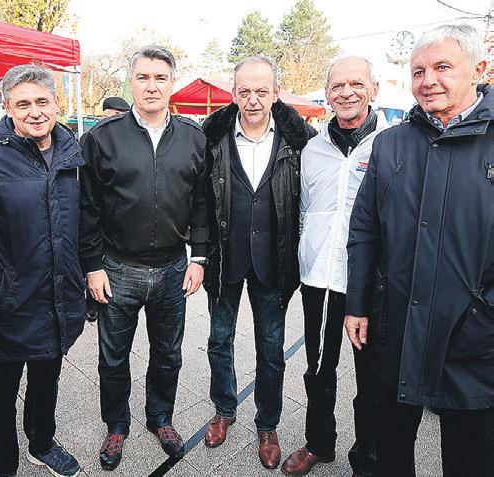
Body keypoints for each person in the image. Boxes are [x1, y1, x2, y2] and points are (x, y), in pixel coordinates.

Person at [345, 24, 494, 477]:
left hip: (474, 337)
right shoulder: (391, 144)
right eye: (418, 71)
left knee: (470, 458)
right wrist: (358, 305)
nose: (428, 81)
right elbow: (365, 230)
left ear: (479, 69)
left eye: (442, 67)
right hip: (396, 329)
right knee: (391, 449)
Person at [79, 45, 208, 471]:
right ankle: (116, 425)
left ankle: (160, 418)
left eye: (160, 78)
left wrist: (199, 257)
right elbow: (87, 206)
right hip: (117, 269)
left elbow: (202, 202)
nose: (152, 86)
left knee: (168, 354)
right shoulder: (101, 138)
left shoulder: (193, 137)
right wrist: (92, 265)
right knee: (113, 357)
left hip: (173, 269)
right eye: (143, 77)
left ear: (172, 83)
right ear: (131, 81)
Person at [0, 63, 85, 477]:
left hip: (59, 300)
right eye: (23, 104)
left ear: (57, 104)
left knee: (47, 383)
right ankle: (2, 467)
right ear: (8, 108)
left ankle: (42, 444)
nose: (35, 112)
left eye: (42, 101)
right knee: (0, 397)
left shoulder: (73, 153)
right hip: (7, 306)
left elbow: (83, 222)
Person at [201, 55, 316, 469]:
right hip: (224, 261)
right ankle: (224, 409)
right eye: (245, 91)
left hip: (273, 262)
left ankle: (268, 424)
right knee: (219, 341)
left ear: (275, 93)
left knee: (271, 349)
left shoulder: (299, 142)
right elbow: (199, 200)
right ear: (234, 94)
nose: (253, 99)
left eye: (261, 91)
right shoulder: (212, 139)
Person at [281, 57, 385, 477]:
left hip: (371, 281)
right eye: (337, 85)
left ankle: (368, 456)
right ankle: (319, 443)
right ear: (327, 94)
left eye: (356, 83)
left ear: (373, 89)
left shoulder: (389, 144)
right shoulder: (314, 149)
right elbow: (304, 210)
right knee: (319, 370)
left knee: (372, 377)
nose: (346, 92)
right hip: (320, 279)